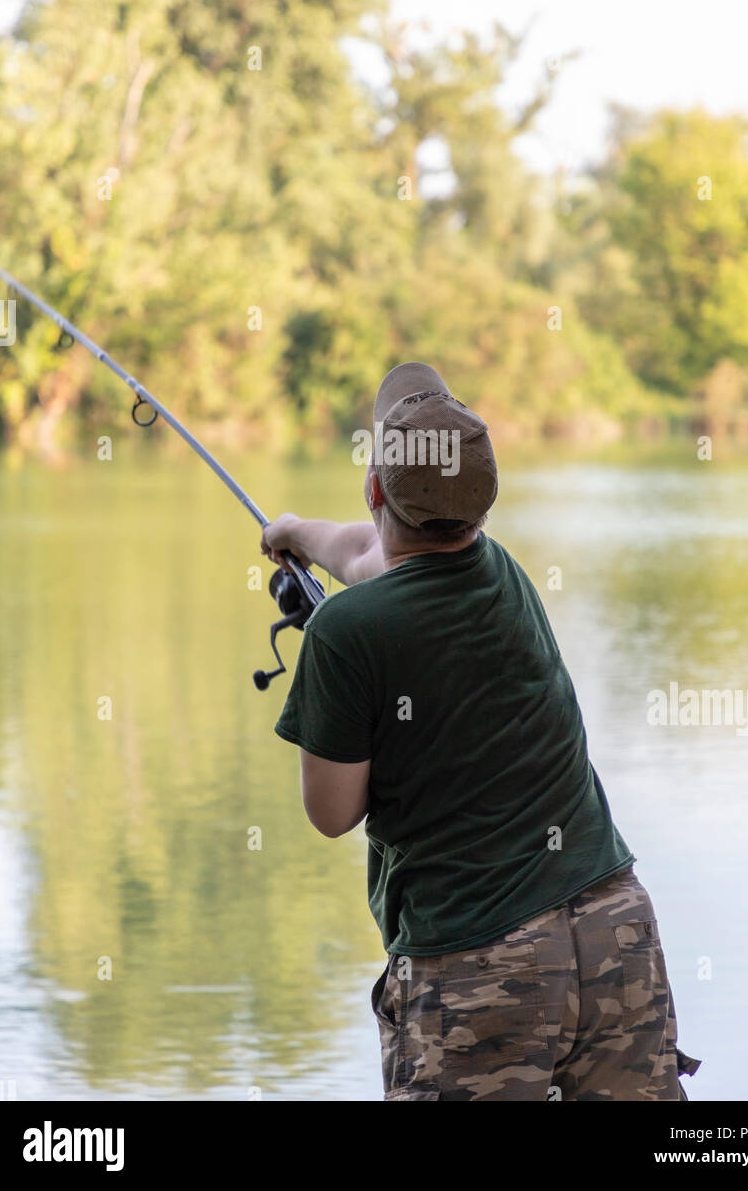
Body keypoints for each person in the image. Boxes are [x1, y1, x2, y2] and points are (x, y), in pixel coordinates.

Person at [262, 361, 700, 1102]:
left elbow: (331, 813)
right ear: (481, 506)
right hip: (614, 931)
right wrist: (295, 532)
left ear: (374, 490)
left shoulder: (345, 633)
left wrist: (337, 672)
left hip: (480, 959)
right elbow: (373, 560)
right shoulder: (503, 572)